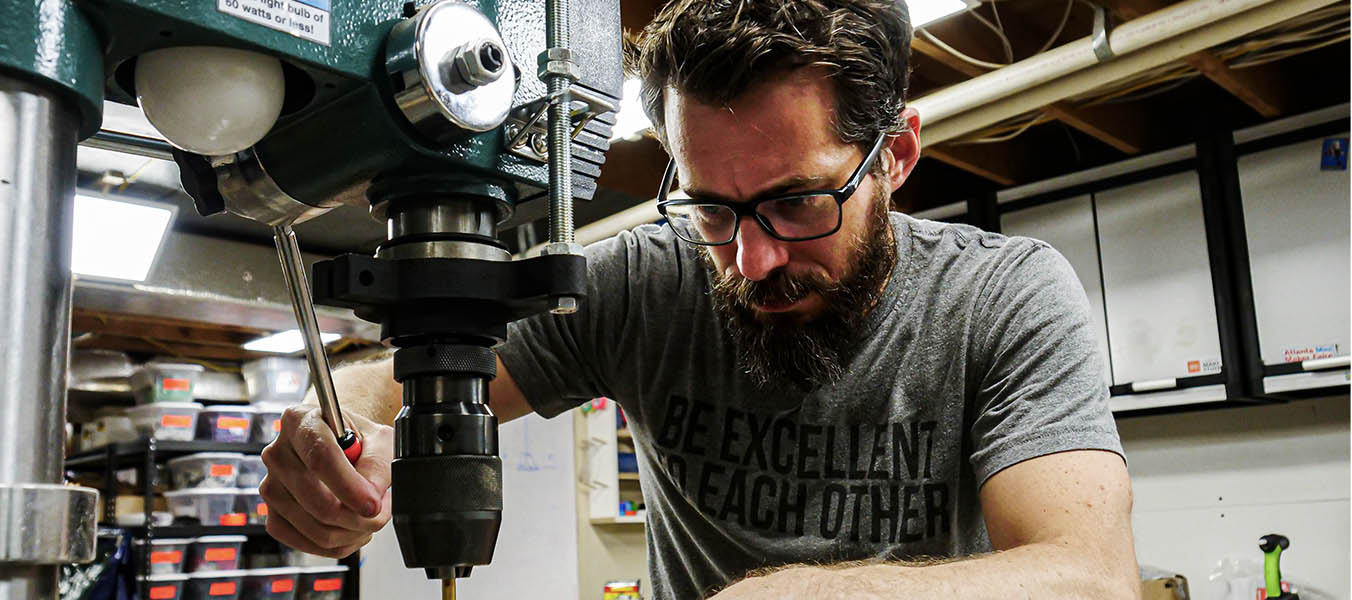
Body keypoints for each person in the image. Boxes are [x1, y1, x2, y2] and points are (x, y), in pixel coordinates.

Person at [257, 1, 1138, 597]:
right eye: (713, 208)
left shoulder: (1004, 297)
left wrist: (794, 596)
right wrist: (335, 440)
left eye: (798, 202)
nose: (751, 259)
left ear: (897, 155)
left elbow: (1089, 575)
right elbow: (425, 376)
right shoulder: (652, 280)